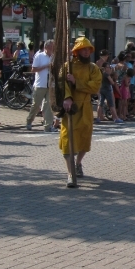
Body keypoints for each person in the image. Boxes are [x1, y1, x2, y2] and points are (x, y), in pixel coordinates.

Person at [59, 37, 102, 188]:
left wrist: (77, 82)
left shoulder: (93, 68)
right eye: (83, 49)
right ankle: (70, 174)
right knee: (67, 139)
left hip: (86, 108)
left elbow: (95, 87)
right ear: (76, 51)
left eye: (88, 49)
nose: (86, 52)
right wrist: (67, 97)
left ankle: (78, 163)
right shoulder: (67, 67)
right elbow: (60, 84)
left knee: (84, 140)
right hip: (70, 109)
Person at [26, 40, 55, 132]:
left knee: (49, 106)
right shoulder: (39, 56)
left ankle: (48, 125)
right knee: (36, 105)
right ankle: (29, 121)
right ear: (46, 47)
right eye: (51, 47)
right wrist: (46, 66)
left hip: (50, 85)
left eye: (53, 47)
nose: (52, 49)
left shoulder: (54, 57)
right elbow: (33, 69)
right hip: (40, 84)